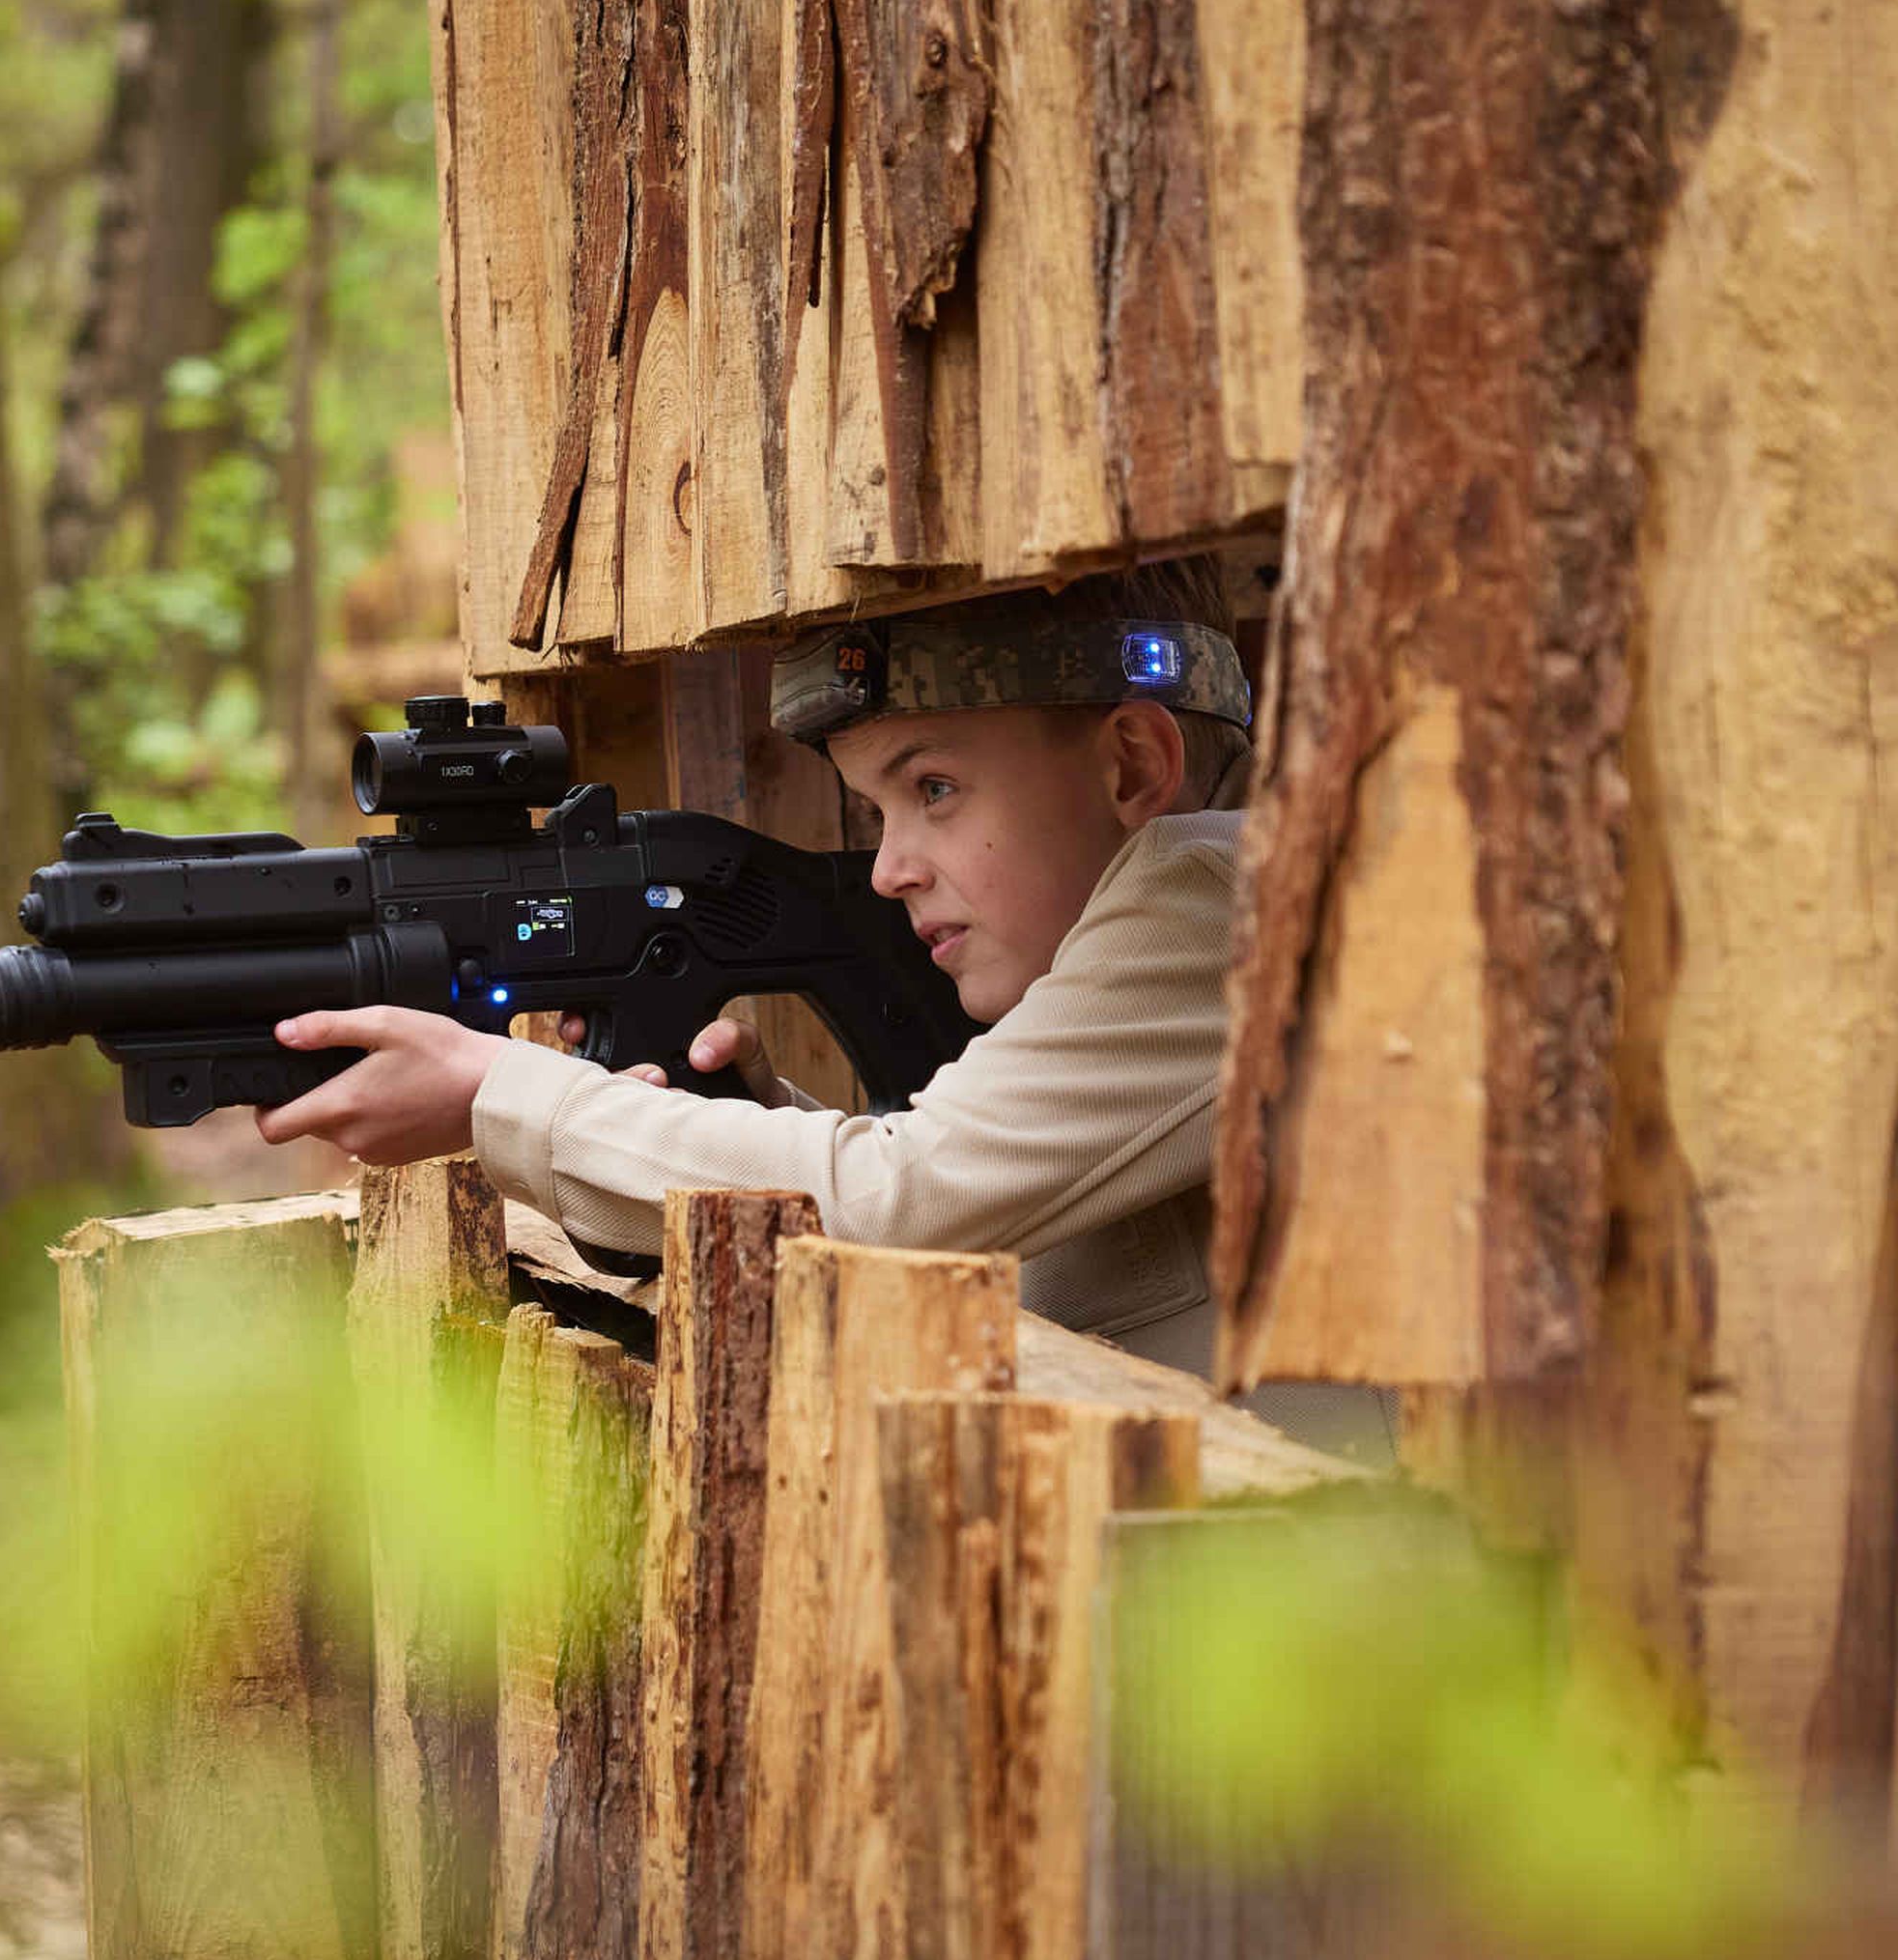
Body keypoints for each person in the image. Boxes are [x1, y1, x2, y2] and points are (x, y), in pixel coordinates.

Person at [256, 561, 1382, 1451]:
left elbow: (903, 1199)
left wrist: (500, 1093)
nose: (891, 868)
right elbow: (957, 1211)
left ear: (1133, 764)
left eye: (933, 789)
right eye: (879, 810)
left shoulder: (1221, 892)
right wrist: (757, 1120)